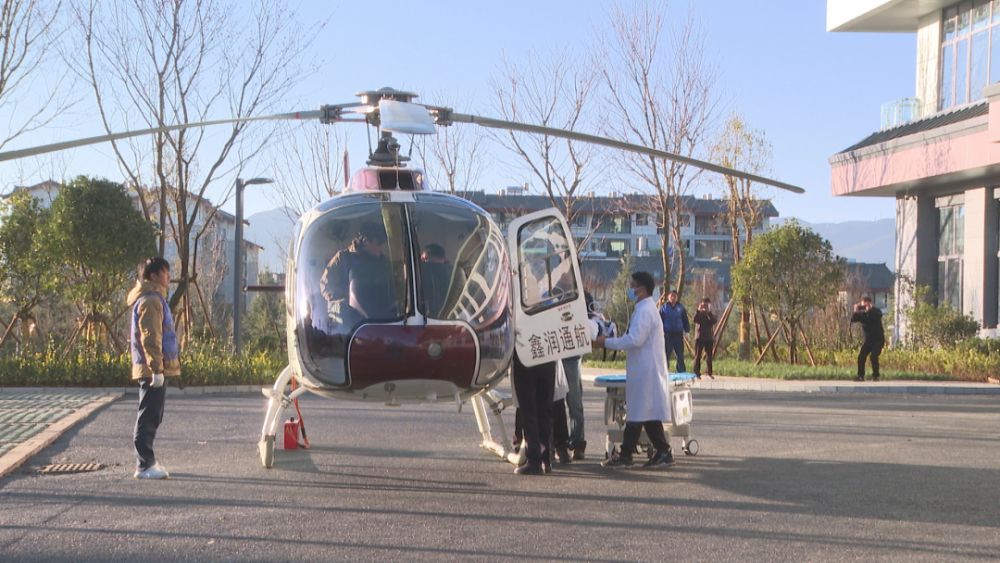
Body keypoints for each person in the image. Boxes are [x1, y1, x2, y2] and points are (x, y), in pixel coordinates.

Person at [595, 271, 675, 469]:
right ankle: (662, 451)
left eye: (633, 286)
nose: (630, 289)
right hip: (644, 369)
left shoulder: (645, 311)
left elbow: (634, 340)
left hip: (645, 371)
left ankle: (627, 455)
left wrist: (606, 342)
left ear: (643, 289)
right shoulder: (644, 309)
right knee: (645, 413)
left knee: (638, 413)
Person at [127, 257, 180, 480]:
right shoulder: (150, 301)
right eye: (165, 273)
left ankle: (147, 461)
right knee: (149, 415)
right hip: (152, 369)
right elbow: (151, 338)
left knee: (154, 414)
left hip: (155, 368)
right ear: (154, 275)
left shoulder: (155, 298)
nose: (169, 277)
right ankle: (144, 464)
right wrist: (156, 369)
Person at [320, 222, 392, 324]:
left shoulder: (382, 261)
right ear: (366, 242)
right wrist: (349, 297)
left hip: (377, 318)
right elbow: (326, 286)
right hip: (349, 322)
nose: (381, 248)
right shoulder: (343, 258)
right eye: (378, 244)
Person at [511, 354, 557, 475]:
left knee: (529, 412)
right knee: (545, 412)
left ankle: (534, 461)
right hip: (548, 358)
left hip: (526, 359)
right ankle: (545, 459)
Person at [851, 296, 885, 381]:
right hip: (868, 341)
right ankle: (860, 375)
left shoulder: (876, 311)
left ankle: (876, 376)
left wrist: (870, 309)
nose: (864, 307)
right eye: (863, 305)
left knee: (873, 356)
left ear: (870, 303)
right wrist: (856, 311)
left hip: (878, 340)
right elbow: (854, 319)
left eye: (866, 305)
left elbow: (879, 315)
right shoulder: (862, 315)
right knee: (861, 357)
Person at [659, 289, 690, 373]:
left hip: (678, 335)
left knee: (680, 354)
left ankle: (681, 371)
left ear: (677, 297)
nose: (673, 298)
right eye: (671, 296)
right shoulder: (664, 308)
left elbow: (685, 320)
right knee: (666, 354)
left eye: (675, 296)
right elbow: (659, 321)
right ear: (668, 297)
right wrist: (659, 332)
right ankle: (664, 370)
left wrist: (687, 331)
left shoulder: (681, 308)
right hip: (667, 334)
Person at [419, 243, 452, 317]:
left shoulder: (419, 272)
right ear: (443, 257)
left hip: (425, 319)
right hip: (453, 318)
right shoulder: (455, 272)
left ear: (425, 257)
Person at [692, 298, 717, 379]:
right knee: (697, 356)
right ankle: (696, 373)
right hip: (699, 337)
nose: (705, 307)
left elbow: (714, 321)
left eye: (707, 305)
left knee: (709, 356)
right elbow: (694, 319)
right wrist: (698, 310)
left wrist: (709, 312)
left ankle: (709, 373)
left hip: (709, 338)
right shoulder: (699, 313)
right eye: (704, 305)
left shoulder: (710, 314)